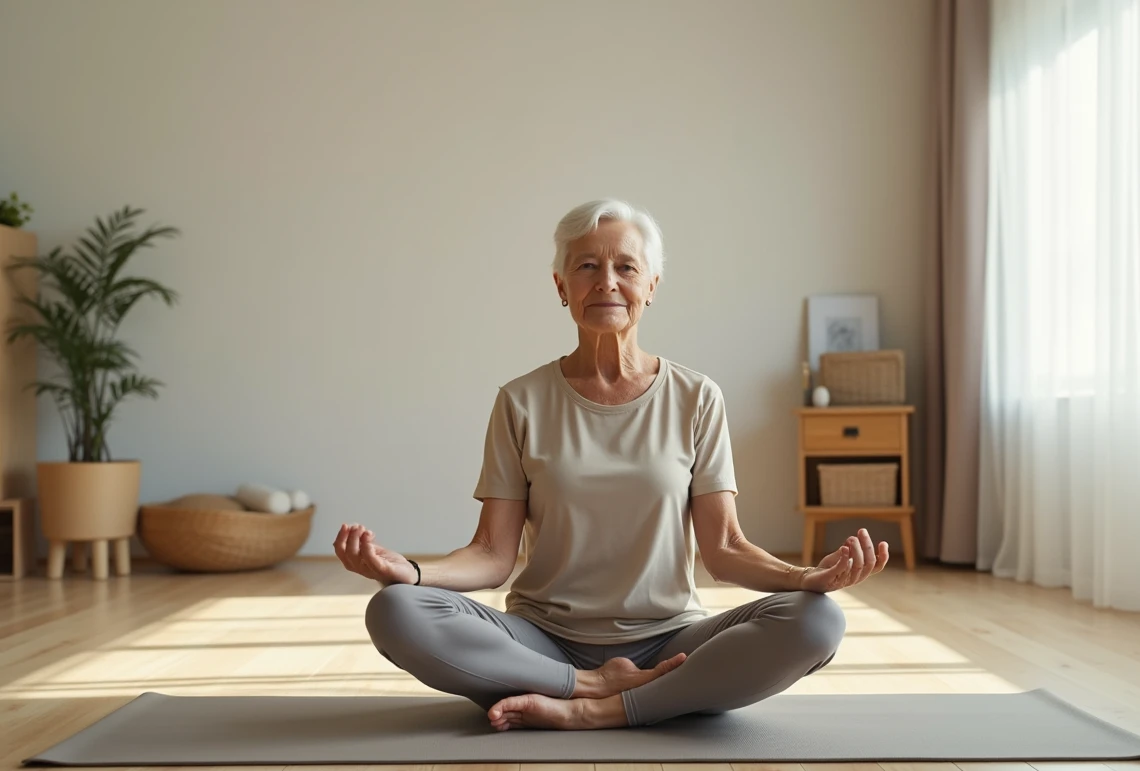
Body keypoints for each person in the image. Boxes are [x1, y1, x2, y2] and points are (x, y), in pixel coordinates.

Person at [333, 198, 888, 731]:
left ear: (651, 286)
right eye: (587, 266)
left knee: (818, 619)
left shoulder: (697, 397)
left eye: (626, 266)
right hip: (541, 641)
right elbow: (492, 554)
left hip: (669, 642)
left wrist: (806, 578)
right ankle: (589, 686)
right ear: (561, 286)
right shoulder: (520, 401)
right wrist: (412, 572)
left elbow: (725, 549)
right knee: (395, 610)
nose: (606, 282)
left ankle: (598, 709)